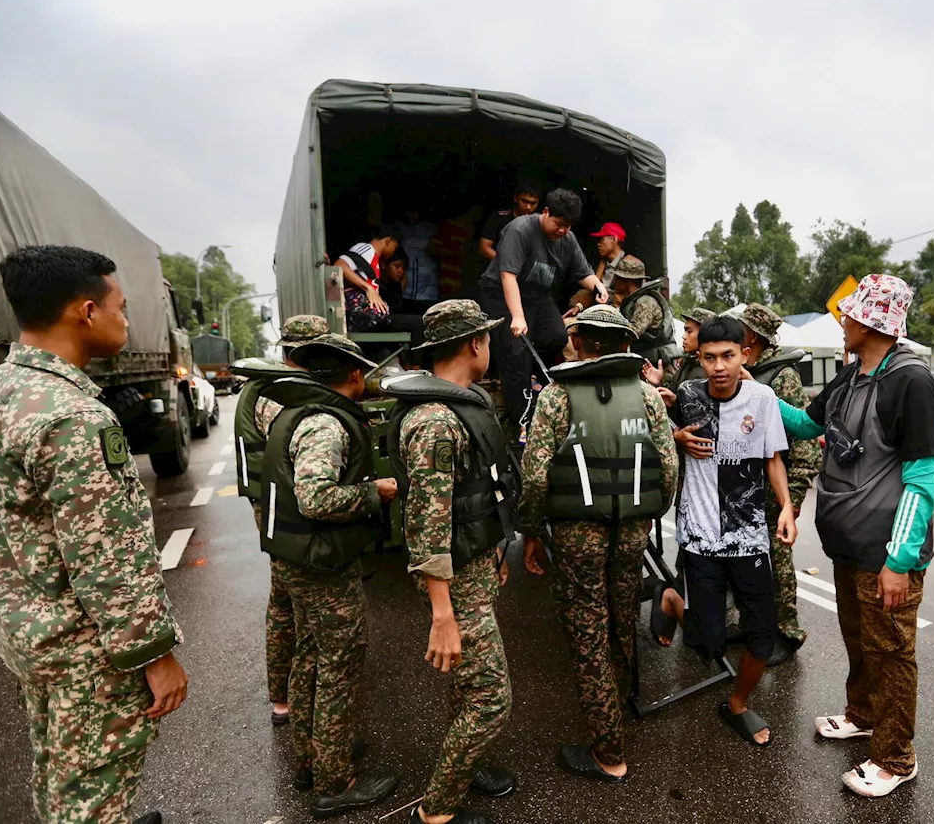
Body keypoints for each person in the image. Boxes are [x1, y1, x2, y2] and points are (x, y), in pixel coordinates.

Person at [0, 245, 187, 824]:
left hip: (24, 631)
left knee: (57, 763)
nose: (126, 318)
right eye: (120, 306)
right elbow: (107, 560)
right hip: (84, 650)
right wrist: (154, 655)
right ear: (86, 312)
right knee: (93, 791)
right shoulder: (74, 418)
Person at [771, 274, 934, 798]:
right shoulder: (851, 376)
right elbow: (804, 424)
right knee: (860, 641)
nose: (842, 320)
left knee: (891, 653)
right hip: (847, 546)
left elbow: (921, 476)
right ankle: (863, 716)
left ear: (870, 322)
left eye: (849, 314)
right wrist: (755, 394)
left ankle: (894, 757)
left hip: (886, 552)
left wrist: (901, 559)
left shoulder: (911, 382)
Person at [519, 306, 679, 783]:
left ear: (583, 342)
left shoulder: (556, 396)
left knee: (587, 627)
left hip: (575, 534)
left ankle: (609, 751)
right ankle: (620, 703)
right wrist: (651, 513)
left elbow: (534, 476)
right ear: (625, 344)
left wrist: (531, 529)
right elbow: (668, 469)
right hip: (632, 530)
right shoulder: (650, 397)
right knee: (623, 612)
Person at [387, 301, 520, 824]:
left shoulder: (463, 404)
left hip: (473, 564)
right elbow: (427, 523)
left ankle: (464, 767)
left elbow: (476, 494)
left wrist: (494, 554)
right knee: (490, 697)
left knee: (469, 683)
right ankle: (438, 811)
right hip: (452, 579)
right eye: (486, 339)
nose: (489, 346)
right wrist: (443, 614)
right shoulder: (435, 422)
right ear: (474, 345)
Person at [260, 334, 399, 817]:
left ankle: (311, 760)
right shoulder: (325, 424)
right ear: (354, 375)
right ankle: (335, 781)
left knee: (310, 658)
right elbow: (315, 498)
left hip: (296, 559)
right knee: (338, 666)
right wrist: (371, 492)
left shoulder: (293, 413)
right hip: (322, 565)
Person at [657, 315, 797, 747]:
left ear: (745, 356)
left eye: (728, 357)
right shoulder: (686, 394)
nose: (718, 366)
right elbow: (658, 435)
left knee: (761, 634)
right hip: (699, 535)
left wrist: (787, 506)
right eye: (710, 357)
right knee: (707, 639)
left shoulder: (763, 397)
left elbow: (772, 456)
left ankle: (737, 702)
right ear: (698, 358)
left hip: (748, 534)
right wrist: (675, 435)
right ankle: (674, 601)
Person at [232, 315, 329, 728]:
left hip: (268, 501)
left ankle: (284, 698)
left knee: (285, 598)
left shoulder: (261, 385)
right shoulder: (278, 392)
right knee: (296, 602)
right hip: (283, 506)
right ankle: (296, 705)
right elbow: (301, 449)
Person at [477, 188, 609, 439]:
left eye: (568, 226)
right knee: (515, 351)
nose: (563, 231)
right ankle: (520, 421)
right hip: (502, 293)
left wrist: (598, 286)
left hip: (537, 296)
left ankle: (534, 377)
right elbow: (508, 276)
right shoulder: (520, 230)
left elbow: (583, 271)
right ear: (545, 213)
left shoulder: (567, 240)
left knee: (558, 336)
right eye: (559, 224)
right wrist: (517, 316)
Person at [736, 303, 820, 663]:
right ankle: (755, 627)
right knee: (748, 562)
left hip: (775, 489)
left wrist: (794, 495)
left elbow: (803, 439)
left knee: (777, 566)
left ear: (752, 336)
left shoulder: (781, 376)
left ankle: (787, 633)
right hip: (745, 490)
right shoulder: (744, 370)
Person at [609, 255, 679, 367]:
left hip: (660, 368)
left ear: (627, 281)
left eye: (618, 278)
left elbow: (632, 332)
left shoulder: (645, 302)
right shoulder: (633, 302)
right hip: (647, 364)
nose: (614, 282)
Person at [334, 226, 402, 331]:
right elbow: (340, 266)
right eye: (395, 247)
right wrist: (368, 288)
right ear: (388, 241)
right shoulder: (366, 249)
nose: (393, 252)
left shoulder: (374, 258)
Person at [643, 307, 714, 393]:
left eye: (689, 331)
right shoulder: (687, 362)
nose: (684, 336)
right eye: (685, 331)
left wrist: (675, 401)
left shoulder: (711, 370)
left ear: (705, 334)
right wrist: (659, 382)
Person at [568, 222, 628, 312]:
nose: (598, 244)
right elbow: (592, 292)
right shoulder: (602, 264)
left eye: (602, 239)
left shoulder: (630, 265)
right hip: (599, 310)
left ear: (614, 240)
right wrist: (579, 306)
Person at [479, 185, 540, 261]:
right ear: (515, 198)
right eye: (524, 201)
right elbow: (484, 248)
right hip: (496, 268)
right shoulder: (499, 217)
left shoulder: (538, 223)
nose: (528, 207)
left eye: (533, 203)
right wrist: (507, 264)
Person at [398, 207, 441, 306]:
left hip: (429, 291)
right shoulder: (399, 229)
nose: (412, 215)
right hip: (405, 289)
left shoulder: (431, 229)